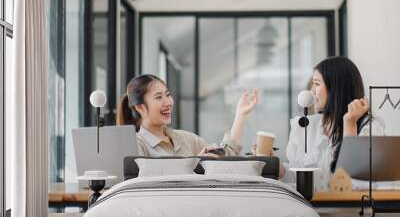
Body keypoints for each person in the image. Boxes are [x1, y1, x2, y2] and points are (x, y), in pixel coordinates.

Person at [278, 57, 384, 191]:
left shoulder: (370, 128)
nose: (311, 92)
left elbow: (350, 182)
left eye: (316, 83)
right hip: (309, 207)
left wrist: (349, 123)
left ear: (336, 88)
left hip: (348, 210)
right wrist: (278, 168)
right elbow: (298, 177)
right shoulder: (308, 127)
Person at [117, 74, 258, 157]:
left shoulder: (186, 139)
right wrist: (196, 166)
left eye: (168, 95)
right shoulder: (135, 145)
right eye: (159, 97)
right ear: (140, 107)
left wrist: (241, 114)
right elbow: (144, 188)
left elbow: (227, 155)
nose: (168, 102)